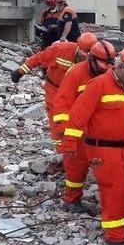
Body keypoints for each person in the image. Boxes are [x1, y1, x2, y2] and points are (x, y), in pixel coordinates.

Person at [59, 46, 124, 245]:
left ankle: (119, 222)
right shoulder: (98, 85)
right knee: (114, 190)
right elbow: (78, 116)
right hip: (101, 148)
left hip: (123, 147)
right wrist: (69, 144)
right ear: (120, 66)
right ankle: (114, 235)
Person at [51, 40, 117, 212]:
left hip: (100, 134)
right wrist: (65, 132)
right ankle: (72, 200)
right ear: (91, 58)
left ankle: (112, 207)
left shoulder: (111, 73)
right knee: (75, 167)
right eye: (102, 63)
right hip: (78, 130)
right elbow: (62, 103)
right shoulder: (75, 73)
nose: (104, 68)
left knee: (108, 171)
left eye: (108, 64)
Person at [11, 32, 98, 147]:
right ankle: (61, 148)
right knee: (58, 118)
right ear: (78, 47)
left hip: (77, 92)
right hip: (55, 89)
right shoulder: (61, 50)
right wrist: (20, 72)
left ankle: (79, 145)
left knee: (79, 117)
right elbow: (38, 58)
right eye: (83, 55)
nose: (85, 59)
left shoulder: (97, 61)